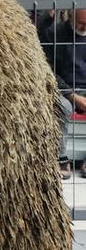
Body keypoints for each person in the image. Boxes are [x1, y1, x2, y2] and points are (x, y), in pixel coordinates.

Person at [41, 10, 86, 178]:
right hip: (63, 89)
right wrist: (72, 95)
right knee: (61, 107)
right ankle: (61, 157)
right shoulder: (54, 34)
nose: (84, 27)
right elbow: (49, 70)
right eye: (81, 23)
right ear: (71, 16)